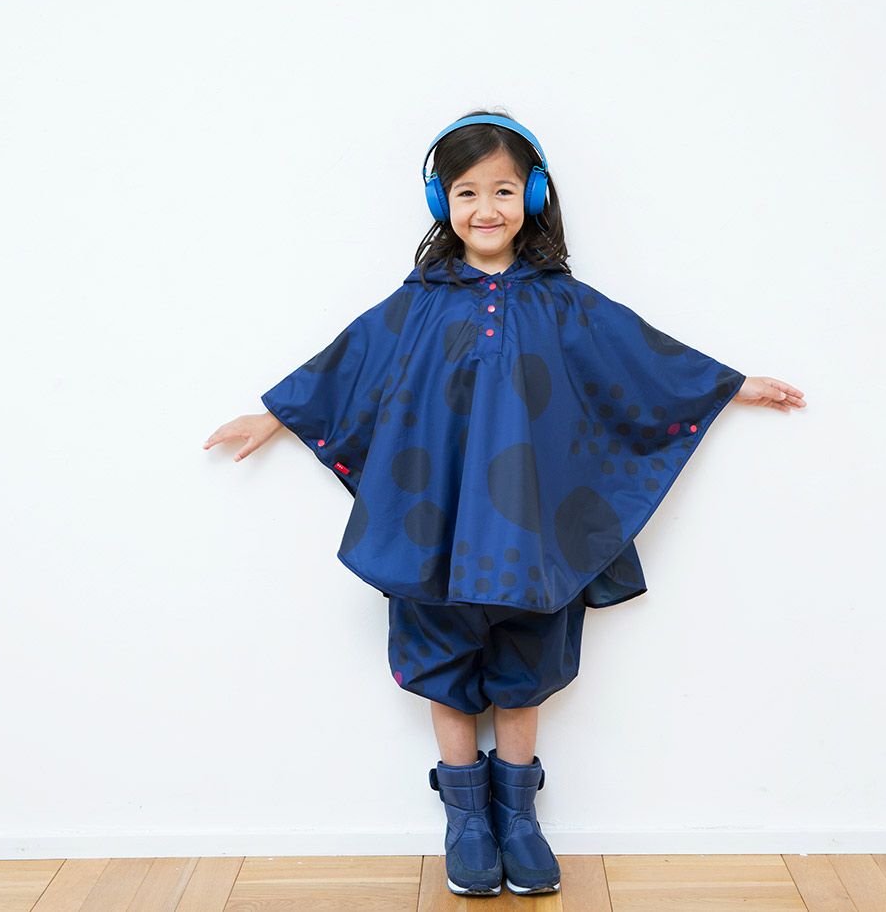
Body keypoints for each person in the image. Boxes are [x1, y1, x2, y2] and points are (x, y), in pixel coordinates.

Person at [204, 109, 806, 898]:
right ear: (440, 202)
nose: (485, 208)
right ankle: (464, 819)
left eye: (503, 190)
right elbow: (347, 365)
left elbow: (639, 358)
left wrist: (728, 385)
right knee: (441, 657)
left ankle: (519, 819)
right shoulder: (417, 304)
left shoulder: (566, 303)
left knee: (528, 662)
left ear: (535, 195)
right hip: (434, 525)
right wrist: (272, 417)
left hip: (533, 529)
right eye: (465, 192)